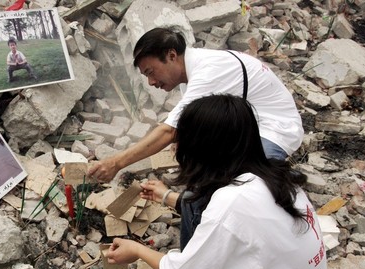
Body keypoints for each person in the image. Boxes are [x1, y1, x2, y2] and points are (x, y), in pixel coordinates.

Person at [105, 94, 327, 269]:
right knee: (192, 201)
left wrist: (137, 250)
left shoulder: (232, 204)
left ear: (202, 147)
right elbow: (207, 209)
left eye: (181, 140)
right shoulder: (269, 170)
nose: (174, 148)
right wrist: (166, 196)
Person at [88, 27, 303, 183]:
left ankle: (277, 174)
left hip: (274, 129)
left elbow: (168, 132)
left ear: (171, 55)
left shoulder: (207, 72)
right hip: (247, 125)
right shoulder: (193, 71)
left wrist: (116, 163)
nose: (151, 83)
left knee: (248, 185)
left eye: (150, 72)